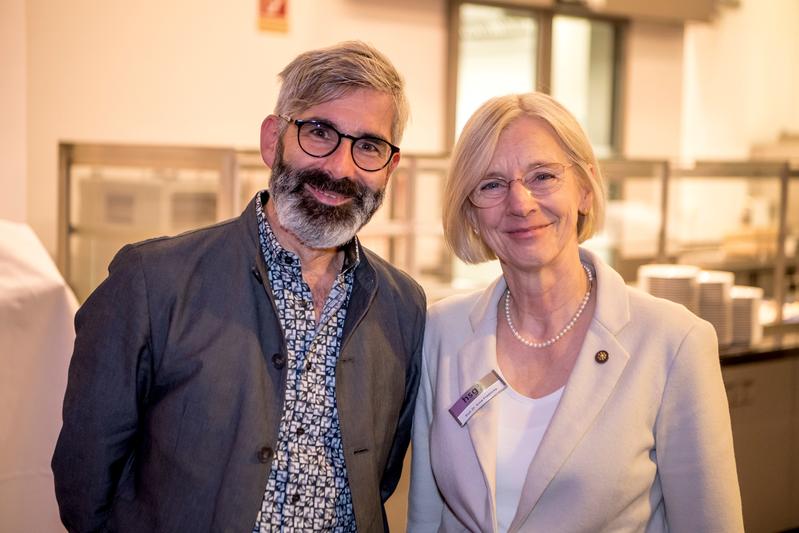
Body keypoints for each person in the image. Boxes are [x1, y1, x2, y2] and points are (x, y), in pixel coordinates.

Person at [52, 41, 426, 533]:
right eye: (319, 132)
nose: (340, 167)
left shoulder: (403, 307)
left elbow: (377, 477)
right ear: (273, 139)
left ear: (390, 168)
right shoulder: (152, 282)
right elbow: (86, 481)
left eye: (369, 146)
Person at [407, 92, 743, 532]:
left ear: (584, 188)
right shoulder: (441, 332)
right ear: (470, 212)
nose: (520, 203)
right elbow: (427, 518)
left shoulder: (672, 343)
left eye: (542, 176)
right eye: (491, 184)